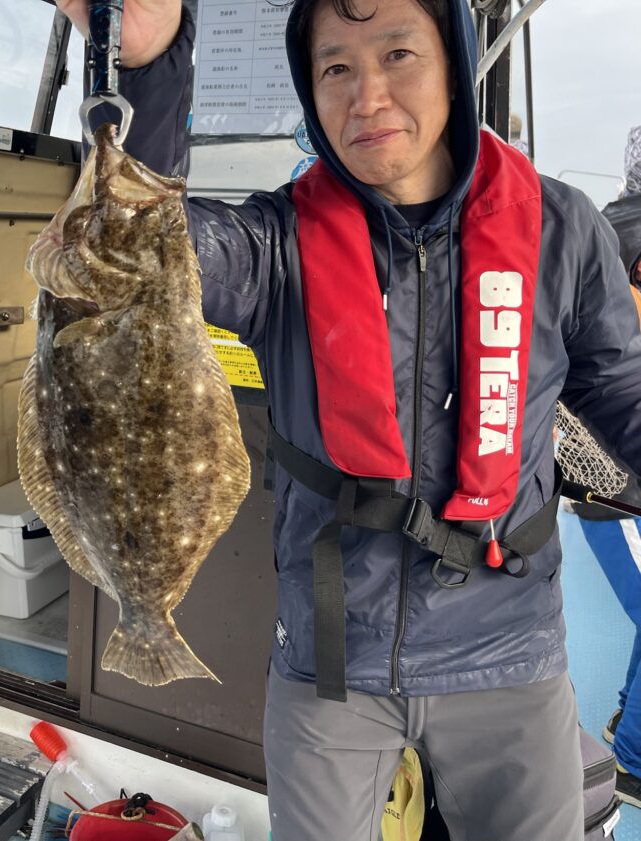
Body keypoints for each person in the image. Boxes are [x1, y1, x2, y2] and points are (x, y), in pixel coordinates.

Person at [57, 1, 641, 838]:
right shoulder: (275, 243)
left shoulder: (561, 228)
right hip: (330, 653)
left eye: (397, 54)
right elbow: (139, 245)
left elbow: (623, 392)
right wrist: (147, 64)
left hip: (510, 646)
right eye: (336, 68)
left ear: (454, 66)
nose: (366, 96)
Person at [575, 126, 641, 806]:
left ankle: (629, 719)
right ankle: (633, 761)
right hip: (617, 479)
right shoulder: (627, 233)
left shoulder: (598, 224)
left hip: (605, 464)